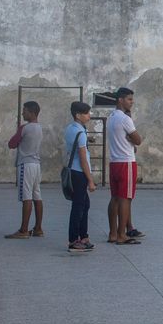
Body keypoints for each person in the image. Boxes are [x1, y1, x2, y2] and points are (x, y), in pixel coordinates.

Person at [107, 87, 143, 245]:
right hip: (126, 161)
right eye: (129, 99)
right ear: (120, 100)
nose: (132, 102)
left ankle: (113, 233)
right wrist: (131, 138)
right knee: (125, 199)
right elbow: (138, 140)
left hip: (114, 161)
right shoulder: (125, 119)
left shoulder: (111, 117)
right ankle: (123, 234)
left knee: (114, 198)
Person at [5, 100, 44, 239]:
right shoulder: (39, 127)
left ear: (32, 113)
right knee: (37, 195)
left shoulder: (24, 128)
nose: (23, 113)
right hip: (36, 164)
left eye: (25, 111)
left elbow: (11, 144)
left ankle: (23, 230)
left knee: (26, 196)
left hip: (25, 164)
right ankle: (38, 228)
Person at [64, 101, 97, 254]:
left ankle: (83, 236)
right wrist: (90, 180)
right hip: (80, 173)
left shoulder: (72, 129)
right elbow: (83, 159)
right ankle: (73, 240)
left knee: (84, 205)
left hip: (73, 171)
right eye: (86, 113)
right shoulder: (80, 133)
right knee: (78, 207)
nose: (89, 116)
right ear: (78, 115)